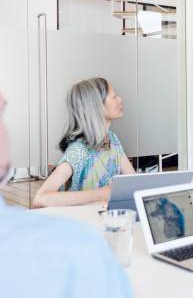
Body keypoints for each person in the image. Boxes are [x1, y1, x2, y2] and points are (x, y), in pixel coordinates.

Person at [0, 38, 140, 298]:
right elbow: (42, 198)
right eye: (0, 113)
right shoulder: (76, 252)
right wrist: (102, 194)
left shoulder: (114, 142)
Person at [34, 78, 135, 208]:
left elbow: (133, 182)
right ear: (96, 106)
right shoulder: (79, 150)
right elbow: (40, 200)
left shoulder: (112, 140)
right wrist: (100, 195)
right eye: (114, 96)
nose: (120, 99)